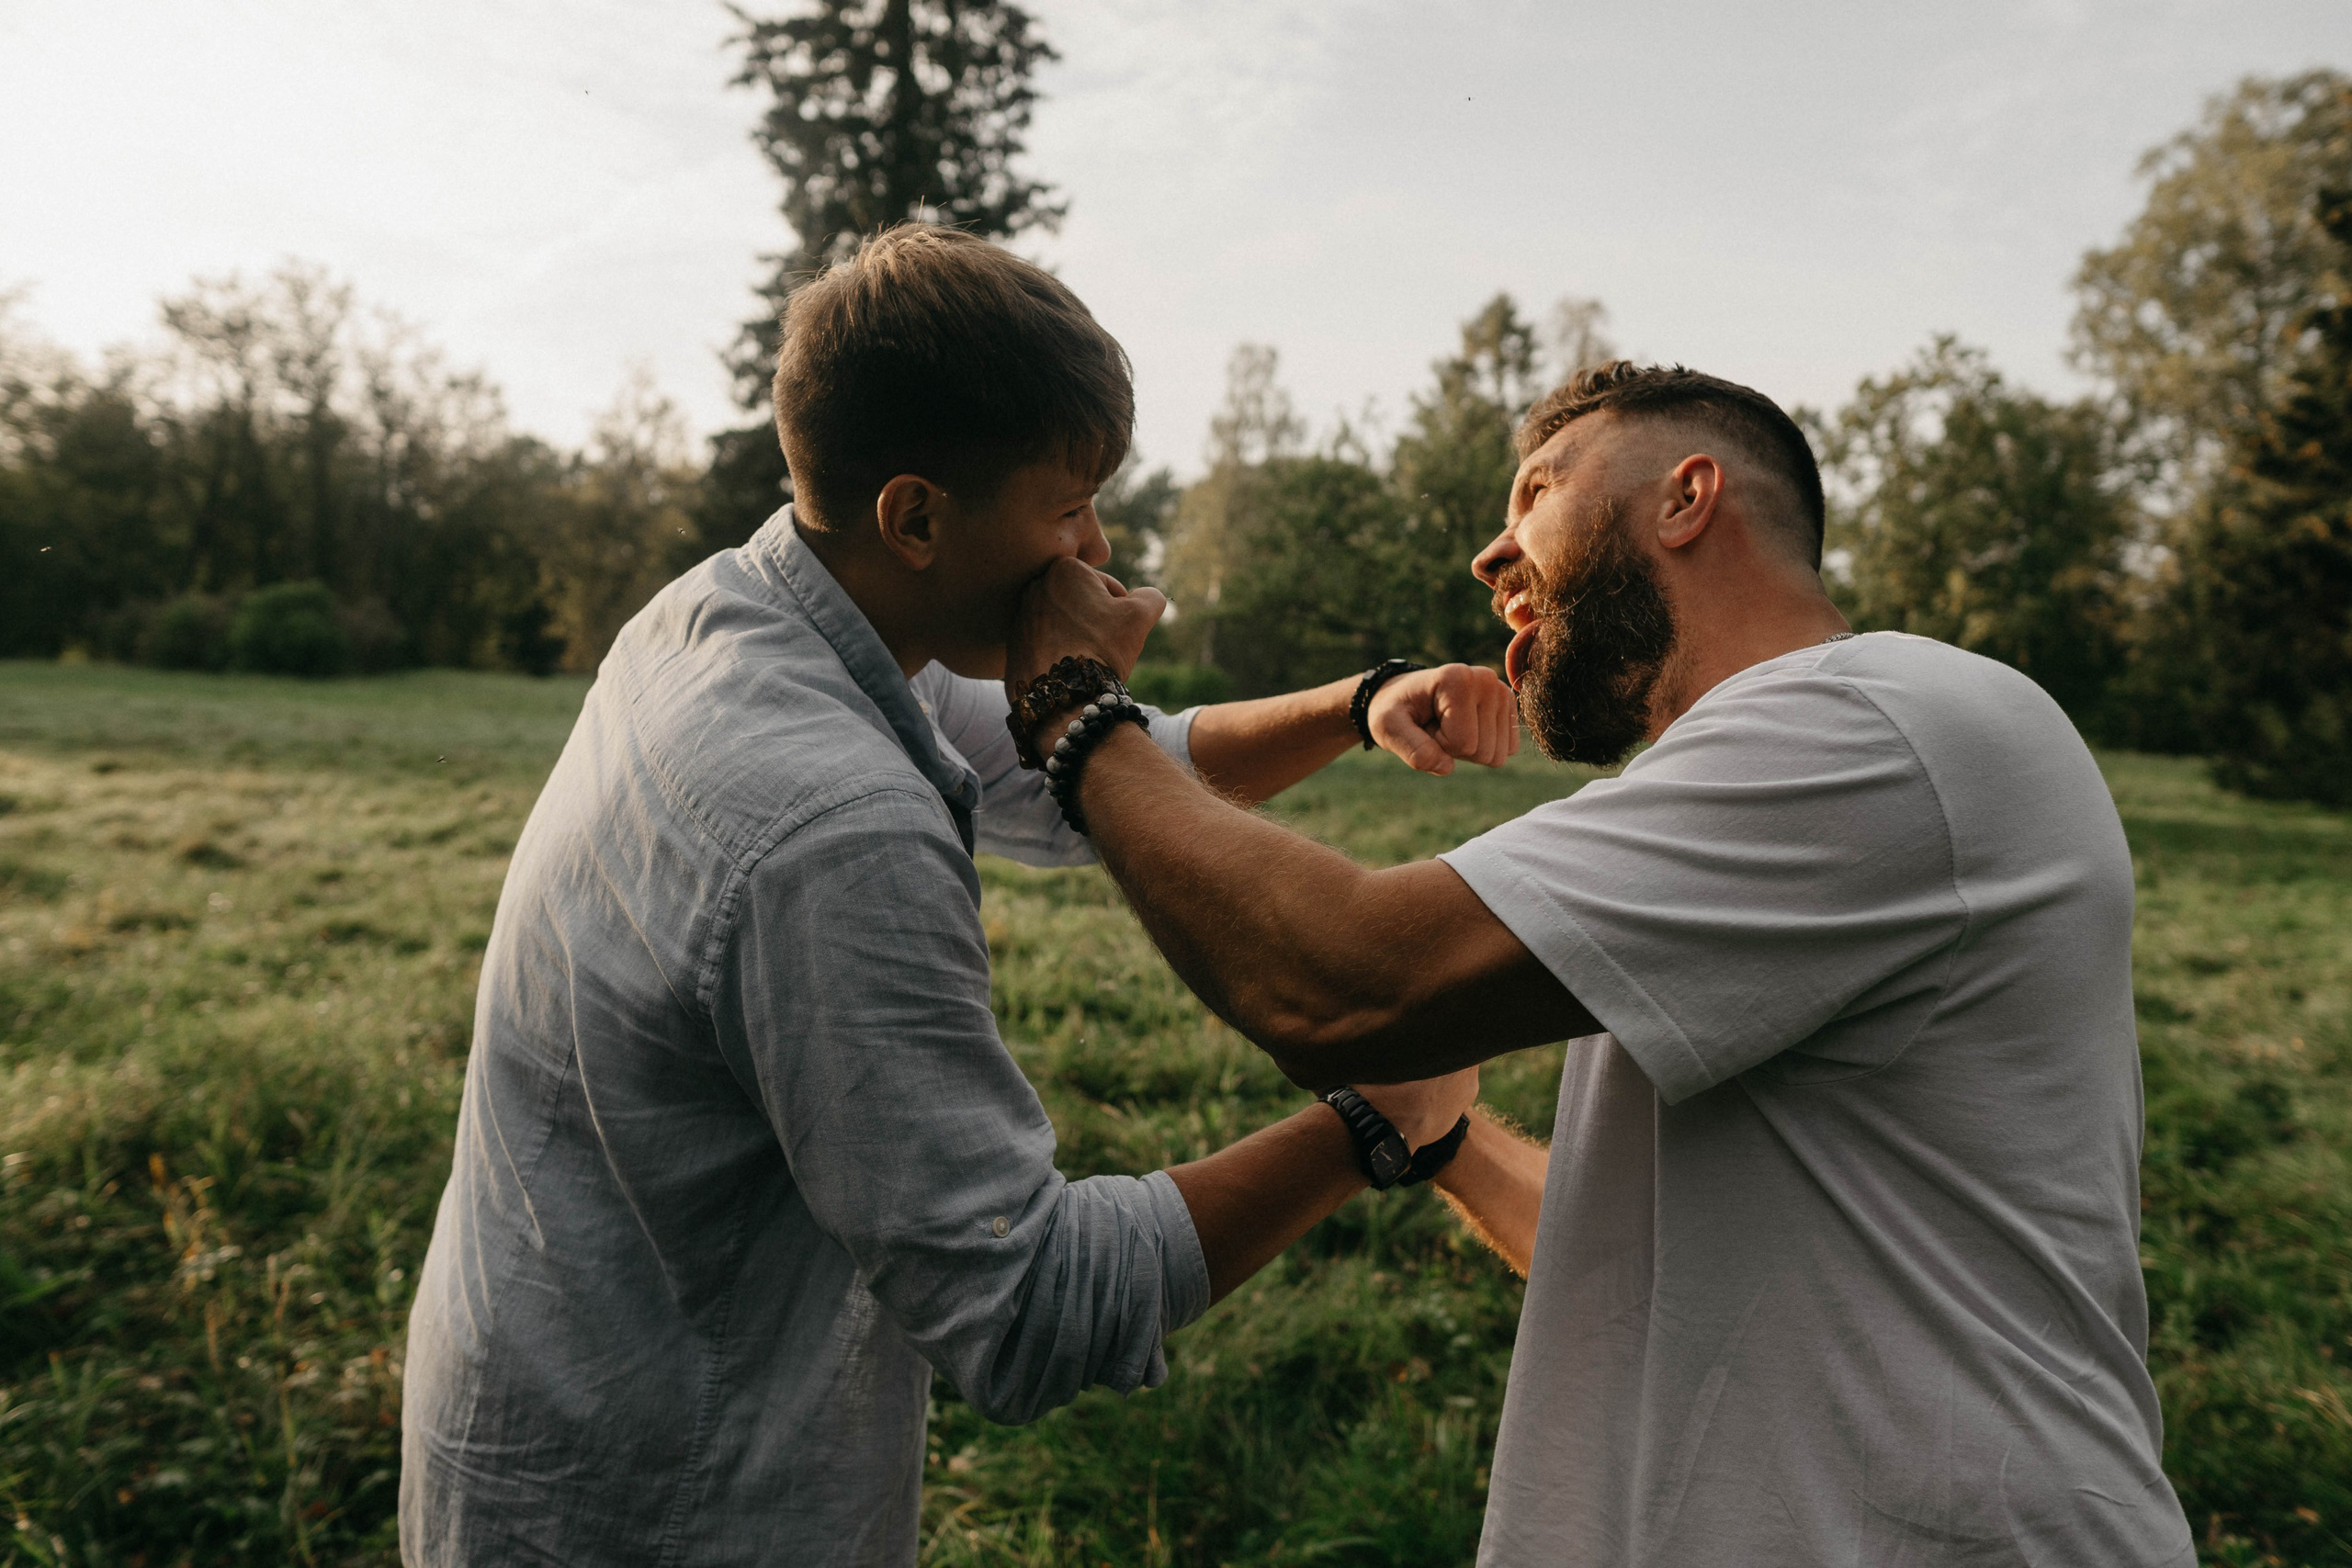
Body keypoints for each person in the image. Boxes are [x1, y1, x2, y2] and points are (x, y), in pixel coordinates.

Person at [397, 226, 1502, 1567]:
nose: (1096, 543)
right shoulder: (835, 828)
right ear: (916, 515)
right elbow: (1026, 1307)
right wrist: (1371, 1128)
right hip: (673, 1507)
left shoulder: (749, 613)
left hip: (547, 1410)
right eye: (1067, 505)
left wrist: (1356, 704)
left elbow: (1074, 759)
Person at [1002, 360, 2197, 1564]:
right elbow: (1654, 1260)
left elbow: (1345, 982)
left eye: (1535, 490)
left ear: (1686, 498)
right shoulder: (1784, 782)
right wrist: (1449, 1142)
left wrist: (1073, 708)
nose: (1489, 554)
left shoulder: (1875, 720)